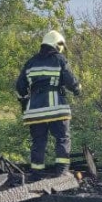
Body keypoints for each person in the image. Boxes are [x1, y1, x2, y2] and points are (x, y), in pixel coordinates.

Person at [14, 30, 81, 177]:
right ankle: (62, 172)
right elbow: (70, 80)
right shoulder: (60, 59)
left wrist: (25, 99)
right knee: (63, 138)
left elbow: (20, 86)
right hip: (57, 109)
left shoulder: (30, 62)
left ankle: (36, 172)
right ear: (57, 45)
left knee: (38, 141)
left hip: (35, 110)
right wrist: (77, 89)